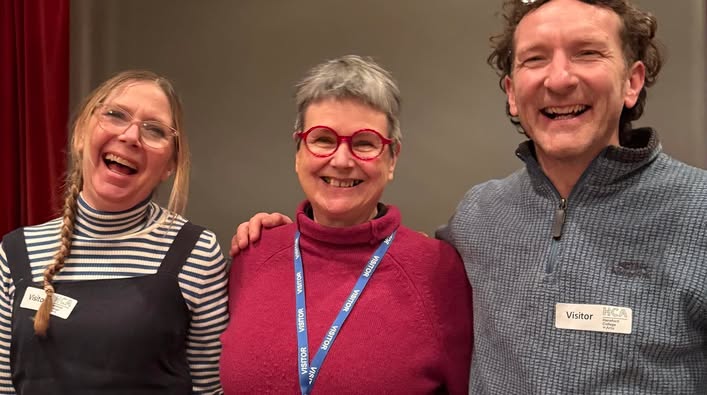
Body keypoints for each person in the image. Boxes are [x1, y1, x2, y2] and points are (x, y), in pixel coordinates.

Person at [231, 0, 707, 393]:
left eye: (587, 53)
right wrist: (285, 237)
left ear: (632, 81)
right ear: (512, 93)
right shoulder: (480, 216)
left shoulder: (699, 211)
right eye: (535, 58)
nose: (559, 79)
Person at [219, 55, 473, 394]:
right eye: (323, 139)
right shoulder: (253, 254)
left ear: (392, 157)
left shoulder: (438, 272)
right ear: (299, 151)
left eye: (364, 143)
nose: (340, 161)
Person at [0, 70, 229, 394]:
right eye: (115, 115)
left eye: (155, 130)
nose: (131, 136)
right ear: (81, 133)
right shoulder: (16, 252)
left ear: (170, 165)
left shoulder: (196, 252)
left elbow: (210, 388)